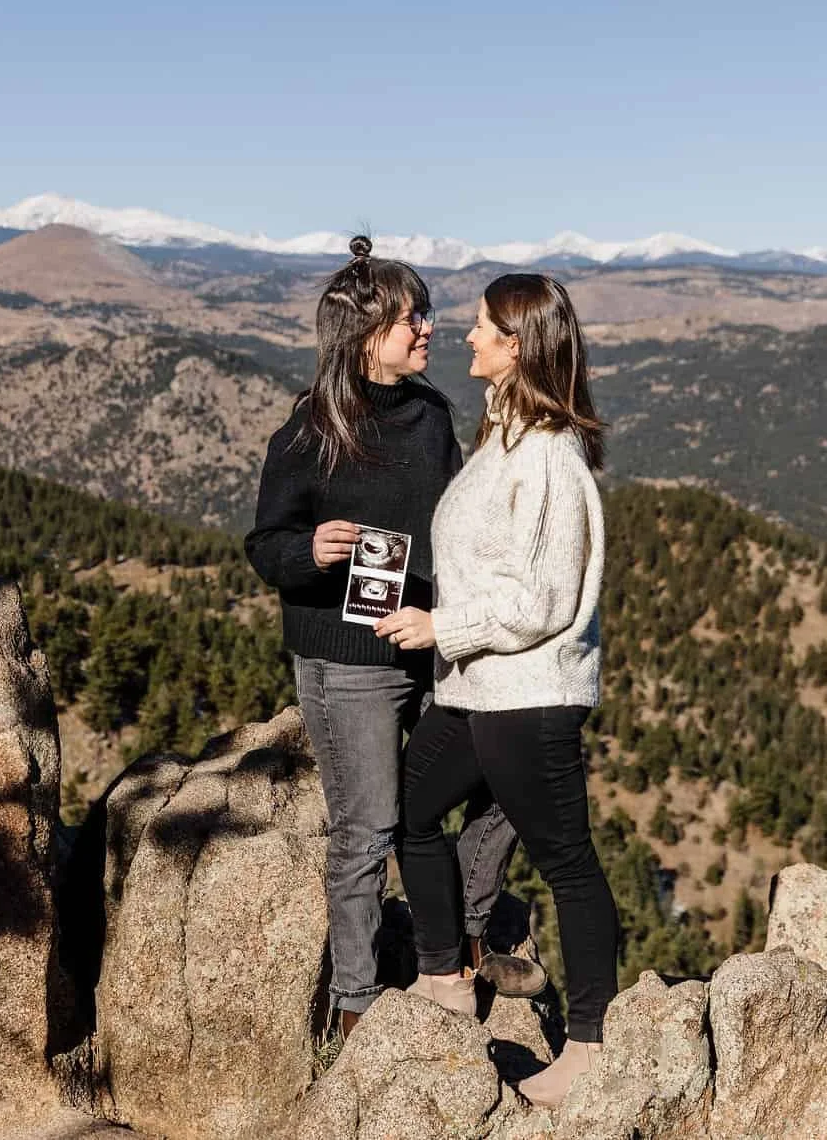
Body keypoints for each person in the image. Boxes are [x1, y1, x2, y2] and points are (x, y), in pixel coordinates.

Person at [245, 237, 539, 1042]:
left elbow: (456, 523)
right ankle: (356, 1002)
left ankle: (472, 930)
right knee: (368, 828)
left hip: (434, 643)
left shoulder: (432, 414)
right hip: (348, 664)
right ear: (364, 335)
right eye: (411, 316)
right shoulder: (311, 430)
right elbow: (266, 547)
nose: (428, 328)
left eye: (426, 313)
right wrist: (311, 551)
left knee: (505, 780)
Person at [374, 272, 617, 1109]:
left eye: (479, 327)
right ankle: (446, 976)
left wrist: (444, 629)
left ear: (516, 347)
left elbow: (542, 600)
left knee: (569, 867)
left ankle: (589, 1046)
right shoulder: (502, 441)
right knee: (412, 808)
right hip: (475, 692)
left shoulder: (547, 456)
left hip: (527, 698)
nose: (464, 337)